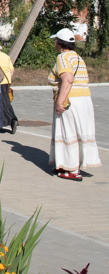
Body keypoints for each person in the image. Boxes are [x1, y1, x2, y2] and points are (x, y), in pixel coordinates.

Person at [47, 27, 101, 181]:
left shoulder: (63, 57)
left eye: (55, 40)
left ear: (59, 42)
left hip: (70, 100)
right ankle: (68, 164)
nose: (55, 43)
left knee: (67, 131)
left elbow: (68, 79)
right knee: (78, 132)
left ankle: (72, 169)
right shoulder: (77, 57)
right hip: (84, 99)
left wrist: (60, 101)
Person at [0, 39, 18, 134]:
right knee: (5, 101)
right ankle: (5, 121)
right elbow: (12, 70)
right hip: (6, 82)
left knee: (0, 103)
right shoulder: (5, 56)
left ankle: (11, 119)